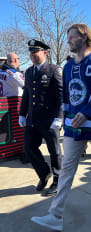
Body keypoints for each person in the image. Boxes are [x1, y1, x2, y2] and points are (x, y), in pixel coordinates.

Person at [31, 24, 91, 231]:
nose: (67, 40)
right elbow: (66, 97)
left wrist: (86, 112)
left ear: (84, 38)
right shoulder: (67, 67)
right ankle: (55, 214)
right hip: (73, 126)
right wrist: (66, 119)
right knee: (67, 168)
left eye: (71, 36)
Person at [19, 39, 63, 197]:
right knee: (28, 148)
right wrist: (22, 114)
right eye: (30, 53)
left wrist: (59, 117)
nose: (32, 56)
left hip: (50, 120)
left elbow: (61, 95)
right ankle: (44, 173)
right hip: (33, 119)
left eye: (35, 52)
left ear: (44, 52)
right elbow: (26, 94)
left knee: (55, 152)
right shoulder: (29, 72)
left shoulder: (53, 70)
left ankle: (58, 181)